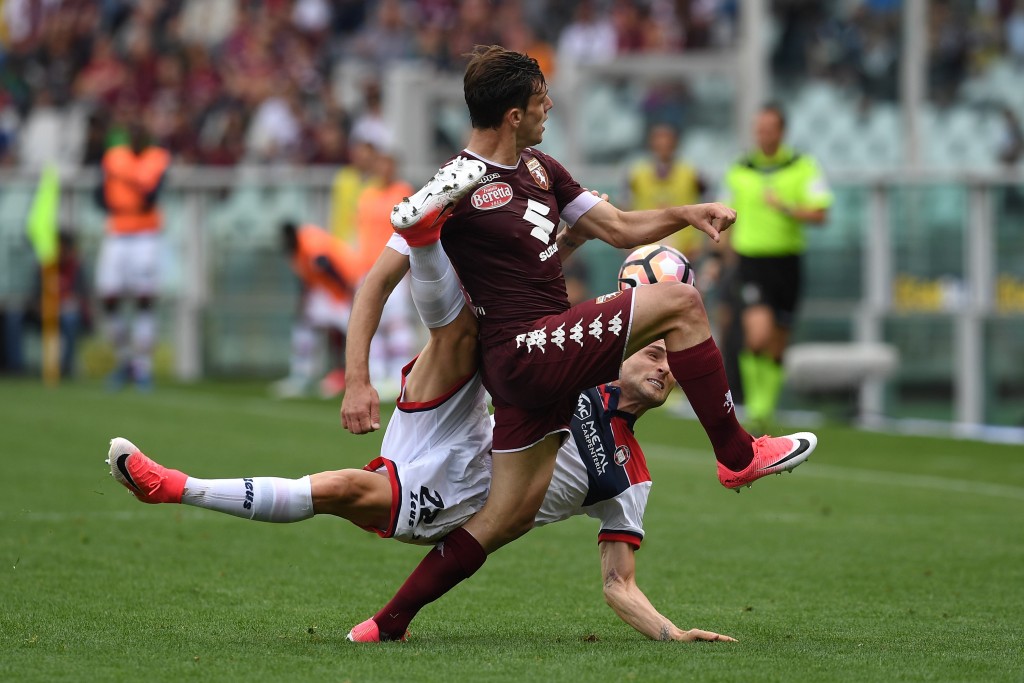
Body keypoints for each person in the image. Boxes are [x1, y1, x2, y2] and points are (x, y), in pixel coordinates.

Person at [343, 46, 818, 641]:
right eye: (541, 97)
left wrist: (687, 213)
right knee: (682, 303)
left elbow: (618, 229)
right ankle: (737, 455)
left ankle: (387, 623)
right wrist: (358, 378)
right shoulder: (453, 183)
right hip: (522, 347)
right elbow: (375, 284)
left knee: (504, 518)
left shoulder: (541, 169)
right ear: (514, 112)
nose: (550, 106)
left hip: (539, 360)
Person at [105, 231, 737, 644]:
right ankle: (423, 236)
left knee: (346, 489)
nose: (660, 365)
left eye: (668, 359)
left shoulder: (632, 476)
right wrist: (571, 233)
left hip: (462, 496)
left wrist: (671, 635)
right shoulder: (581, 373)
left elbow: (617, 583)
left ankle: (177, 488)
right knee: (460, 335)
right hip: (463, 429)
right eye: (648, 351)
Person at [720, 103, 832, 428]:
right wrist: (718, 258)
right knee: (756, 336)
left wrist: (788, 209)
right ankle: (755, 406)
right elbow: (727, 216)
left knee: (778, 342)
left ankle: (766, 408)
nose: (763, 134)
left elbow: (821, 213)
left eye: (769, 128)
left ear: (782, 132)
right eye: (759, 128)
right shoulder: (740, 169)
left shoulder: (803, 166)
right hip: (751, 261)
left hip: (787, 262)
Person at [95, 123, 171, 390]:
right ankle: (124, 359)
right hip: (117, 230)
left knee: (144, 298)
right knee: (109, 295)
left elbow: (153, 194)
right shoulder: (114, 157)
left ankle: (142, 367)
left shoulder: (157, 159)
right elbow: (100, 194)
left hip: (145, 234)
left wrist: (130, 183)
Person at [272, 221, 360, 399]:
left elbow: (327, 266)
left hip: (345, 288)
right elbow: (307, 279)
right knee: (305, 326)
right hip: (329, 292)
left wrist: (349, 292)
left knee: (354, 333)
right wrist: (303, 303)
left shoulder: (309, 242)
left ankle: (351, 375)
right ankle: (302, 376)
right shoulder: (297, 250)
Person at [625, 123, 707, 260]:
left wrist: (698, 244)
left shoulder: (691, 173)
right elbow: (625, 207)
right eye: (659, 141)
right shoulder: (637, 175)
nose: (663, 145)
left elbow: (707, 204)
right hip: (645, 253)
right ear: (651, 144)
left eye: (667, 141)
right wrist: (628, 246)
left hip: (684, 252)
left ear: (675, 144)